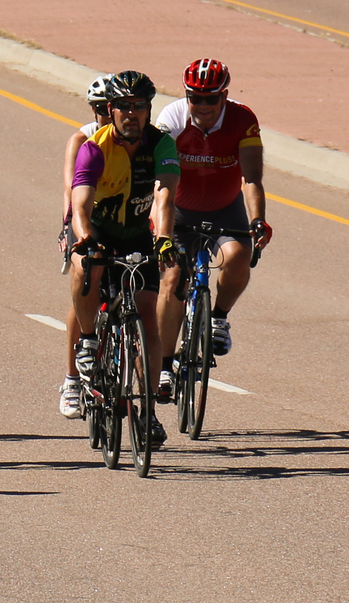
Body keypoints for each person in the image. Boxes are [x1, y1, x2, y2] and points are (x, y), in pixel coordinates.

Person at [65, 70, 179, 448]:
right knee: (86, 270)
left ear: (149, 110)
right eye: (125, 107)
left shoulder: (161, 144)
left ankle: (146, 411)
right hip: (96, 231)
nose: (132, 114)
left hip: (138, 234)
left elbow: (164, 195)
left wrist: (163, 240)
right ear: (110, 110)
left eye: (140, 107)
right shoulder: (94, 146)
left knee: (147, 314)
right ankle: (87, 342)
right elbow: (80, 201)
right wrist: (83, 240)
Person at [155, 59, 271, 374]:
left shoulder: (242, 119)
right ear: (186, 95)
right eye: (195, 97)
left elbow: (251, 178)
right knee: (173, 278)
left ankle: (218, 316)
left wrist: (257, 220)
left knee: (237, 256)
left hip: (224, 207)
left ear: (225, 95)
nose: (202, 105)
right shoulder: (172, 117)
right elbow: (162, 183)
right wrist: (162, 231)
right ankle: (165, 365)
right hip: (179, 210)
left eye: (211, 98)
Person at [57, 74, 114, 418]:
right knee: (85, 285)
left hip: (124, 221)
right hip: (87, 219)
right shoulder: (83, 138)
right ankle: (72, 379)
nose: (105, 114)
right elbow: (71, 188)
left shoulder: (135, 137)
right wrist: (71, 228)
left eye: (112, 107)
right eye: (98, 108)